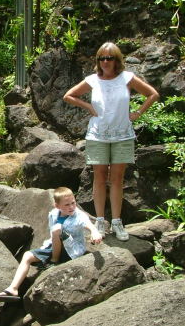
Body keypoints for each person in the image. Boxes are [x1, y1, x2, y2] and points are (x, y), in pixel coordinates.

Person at [63, 42, 159, 241]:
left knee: (117, 179)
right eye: (102, 58)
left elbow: (153, 94)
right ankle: (99, 220)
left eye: (110, 58)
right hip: (98, 135)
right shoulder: (92, 80)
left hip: (122, 135)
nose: (105, 62)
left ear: (117, 60)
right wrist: (88, 106)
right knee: (98, 177)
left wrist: (138, 113)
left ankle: (116, 222)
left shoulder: (127, 78)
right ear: (98, 61)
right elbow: (69, 96)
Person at [0, 187, 102, 302]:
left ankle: (54, 262)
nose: (71, 207)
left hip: (71, 251)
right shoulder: (53, 214)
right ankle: (13, 289)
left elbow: (88, 224)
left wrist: (94, 232)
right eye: (67, 205)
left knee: (57, 229)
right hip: (54, 247)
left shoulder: (79, 215)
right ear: (57, 206)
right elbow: (53, 237)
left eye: (73, 203)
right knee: (27, 256)